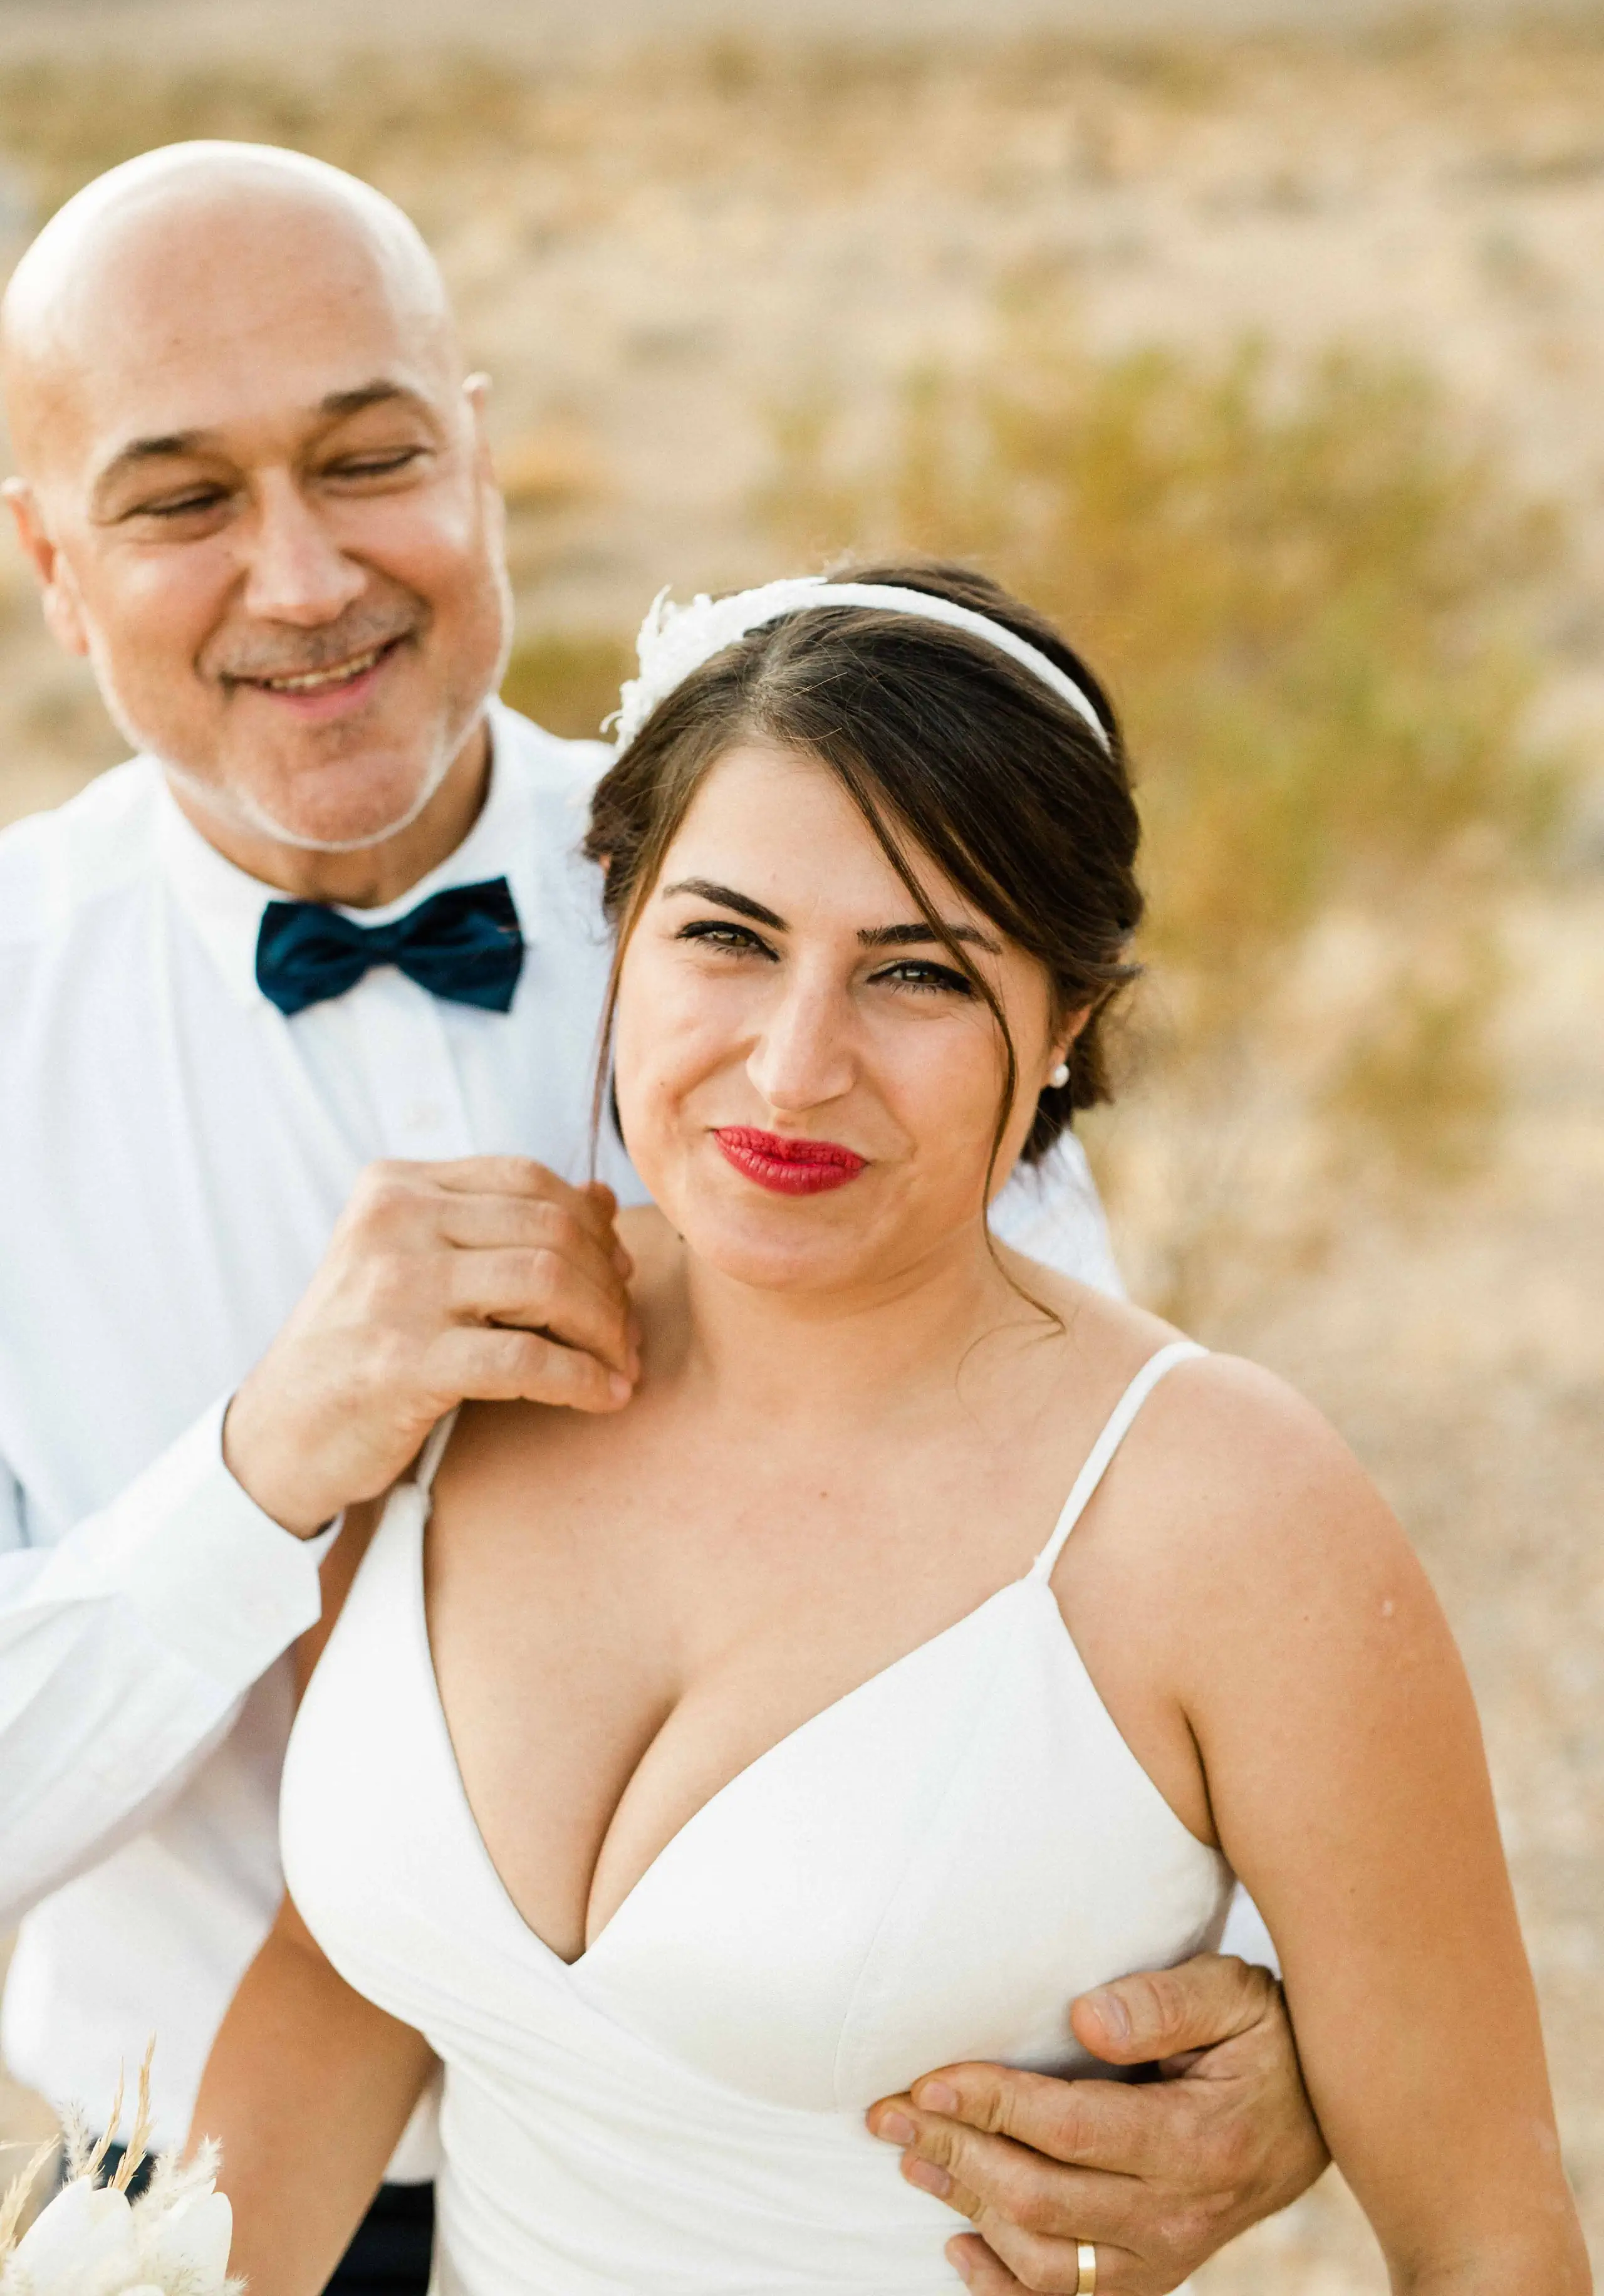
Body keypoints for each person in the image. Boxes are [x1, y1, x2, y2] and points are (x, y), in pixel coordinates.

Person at [0, 142, 1320, 2296]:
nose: (310, 575)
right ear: (54, 566)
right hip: (206, 2213)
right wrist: (253, 1480)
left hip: (809, 2196)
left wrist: (1271, 2015)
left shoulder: (842, 902)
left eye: (371, 459)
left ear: (485, 457)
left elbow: (1105, 1539)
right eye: (181, 503)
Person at [192, 561, 1585, 2296]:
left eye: (915, 973)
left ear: (1065, 1024)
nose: (791, 1067)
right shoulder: (471, 1360)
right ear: (617, 926)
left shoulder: (1227, 1514)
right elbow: (338, 1992)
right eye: (728, 936)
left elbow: (1493, 2249)